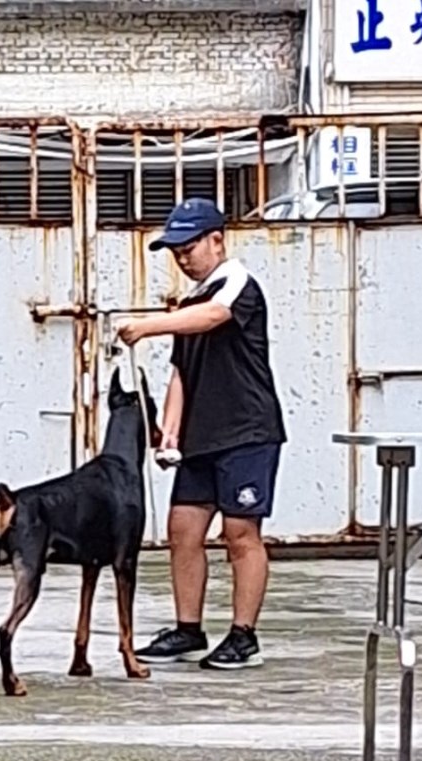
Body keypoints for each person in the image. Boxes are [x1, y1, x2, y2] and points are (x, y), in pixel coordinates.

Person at [115, 196, 287, 671]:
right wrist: (170, 432)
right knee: (182, 529)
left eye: (189, 248)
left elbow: (213, 317)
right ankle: (188, 629)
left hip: (247, 431)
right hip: (201, 439)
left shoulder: (237, 285)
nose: (183, 258)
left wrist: (147, 326)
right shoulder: (190, 302)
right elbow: (180, 374)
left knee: (240, 532)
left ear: (217, 240)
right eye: (176, 252)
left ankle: (244, 636)